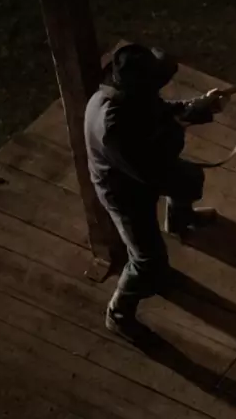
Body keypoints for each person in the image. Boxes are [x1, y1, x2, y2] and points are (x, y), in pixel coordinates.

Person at [85, 43, 225, 340]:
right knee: (147, 260)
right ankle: (119, 314)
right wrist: (181, 124)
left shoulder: (129, 97)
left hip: (143, 171)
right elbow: (154, 164)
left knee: (188, 180)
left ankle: (179, 219)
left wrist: (197, 106)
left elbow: (160, 112)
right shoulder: (112, 128)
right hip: (125, 194)